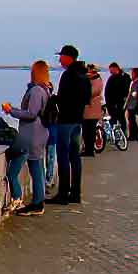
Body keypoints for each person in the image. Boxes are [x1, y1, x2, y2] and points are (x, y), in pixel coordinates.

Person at [0, 60, 50, 215]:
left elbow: (31, 113)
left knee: (35, 169)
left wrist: (11, 110)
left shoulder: (36, 91)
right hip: (40, 133)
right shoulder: (45, 89)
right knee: (38, 168)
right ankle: (38, 202)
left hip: (33, 135)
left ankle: (37, 204)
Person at [47, 45, 91, 205]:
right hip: (78, 121)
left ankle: (63, 194)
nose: (59, 59)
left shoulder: (68, 75)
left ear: (68, 57)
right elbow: (87, 99)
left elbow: (64, 99)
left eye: (61, 56)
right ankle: (76, 193)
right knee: (75, 157)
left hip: (66, 121)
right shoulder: (84, 76)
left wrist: (53, 99)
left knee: (64, 157)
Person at [82, 63, 103, 157]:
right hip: (90, 110)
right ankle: (88, 149)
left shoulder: (96, 80)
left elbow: (91, 92)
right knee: (87, 131)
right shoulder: (93, 79)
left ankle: (89, 150)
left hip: (91, 110)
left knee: (89, 131)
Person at [104, 62, 130, 137]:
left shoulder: (125, 77)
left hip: (121, 103)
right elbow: (107, 91)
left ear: (116, 68)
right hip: (111, 103)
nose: (110, 72)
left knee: (121, 118)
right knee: (113, 119)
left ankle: (123, 134)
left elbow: (128, 90)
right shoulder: (111, 78)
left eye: (111, 70)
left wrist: (125, 99)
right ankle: (114, 135)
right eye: (110, 71)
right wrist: (107, 103)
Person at [126, 68, 138, 141]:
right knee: (131, 120)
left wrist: (133, 94)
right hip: (131, 103)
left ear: (136, 73)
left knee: (132, 120)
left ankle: (134, 136)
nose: (131, 74)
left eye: (132, 73)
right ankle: (134, 135)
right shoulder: (135, 82)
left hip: (133, 104)